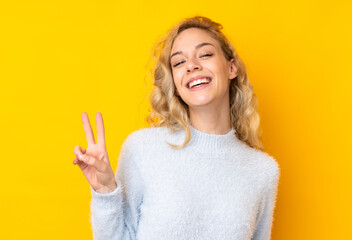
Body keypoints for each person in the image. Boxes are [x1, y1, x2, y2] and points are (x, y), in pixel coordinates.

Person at [73, 16, 280, 240]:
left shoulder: (262, 171)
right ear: (176, 83)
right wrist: (105, 192)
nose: (192, 65)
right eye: (179, 62)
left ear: (232, 68)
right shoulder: (143, 149)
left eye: (205, 54)